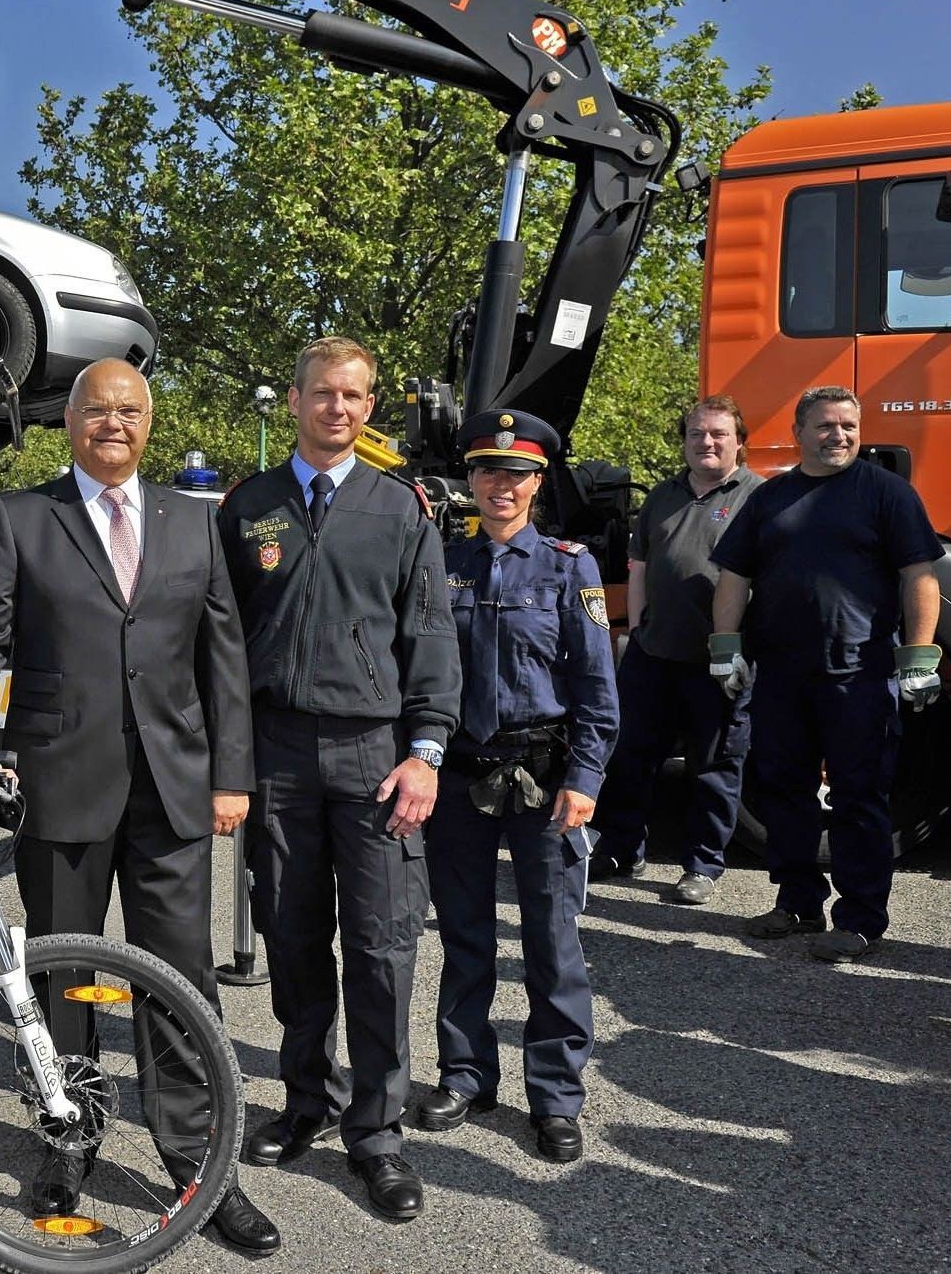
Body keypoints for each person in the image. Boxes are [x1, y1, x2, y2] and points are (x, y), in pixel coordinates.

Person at [0, 358, 280, 1255]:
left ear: (148, 423)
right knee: (63, 981)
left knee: (180, 981)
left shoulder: (191, 523)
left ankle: (198, 1161)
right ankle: (67, 1142)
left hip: (171, 789)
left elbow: (223, 661)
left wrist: (230, 773)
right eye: (96, 409)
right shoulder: (20, 518)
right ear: (70, 421)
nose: (112, 424)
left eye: (129, 410)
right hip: (61, 785)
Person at [217, 336, 460, 1223]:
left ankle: (378, 1134)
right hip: (276, 750)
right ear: (294, 399)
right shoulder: (248, 507)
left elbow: (431, 638)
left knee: (382, 946)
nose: (339, 409)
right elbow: (220, 644)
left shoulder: (401, 510)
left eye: (355, 396)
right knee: (289, 934)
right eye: (324, 393)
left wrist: (424, 749)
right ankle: (304, 1100)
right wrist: (227, 759)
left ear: (368, 406)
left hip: (373, 754)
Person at [417, 409, 618, 1165]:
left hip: (545, 779)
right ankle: (466, 1075)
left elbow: (598, 687)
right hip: (464, 776)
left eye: (515, 473)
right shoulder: (444, 562)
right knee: (464, 937)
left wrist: (588, 778)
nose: (499, 484)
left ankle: (555, 1097)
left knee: (551, 942)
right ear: (469, 480)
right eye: (485, 470)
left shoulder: (570, 567)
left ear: (536, 483)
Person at [710, 385, 941, 962]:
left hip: (858, 674)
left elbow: (920, 575)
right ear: (799, 433)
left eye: (848, 426)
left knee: (860, 797)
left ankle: (860, 918)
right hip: (783, 673)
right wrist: (726, 645)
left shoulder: (887, 493)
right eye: (825, 426)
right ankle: (797, 902)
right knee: (785, 789)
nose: (839, 435)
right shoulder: (771, 499)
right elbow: (734, 576)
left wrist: (918, 655)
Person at [591, 396, 761, 903]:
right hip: (654, 653)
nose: (706, 442)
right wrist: (636, 631)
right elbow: (638, 567)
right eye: (696, 434)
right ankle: (623, 849)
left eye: (718, 434)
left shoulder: (760, 497)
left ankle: (703, 865)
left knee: (713, 766)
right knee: (630, 756)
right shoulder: (663, 496)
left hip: (721, 660)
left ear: (738, 441)